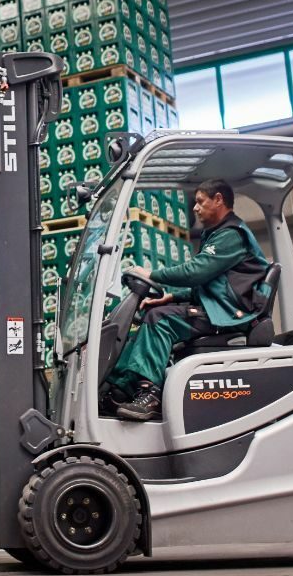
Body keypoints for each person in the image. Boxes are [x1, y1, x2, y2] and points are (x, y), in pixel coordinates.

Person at [108, 178, 270, 422]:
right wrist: (171, 296)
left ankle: (151, 395)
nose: (194, 208)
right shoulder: (216, 234)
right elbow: (211, 286)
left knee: (159, 320)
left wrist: (151, 275)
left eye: (200, 202)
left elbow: (196, 272)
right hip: (220, 307)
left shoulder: (231, 235)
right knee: (147, 319)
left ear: (218, 200)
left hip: (229, 315)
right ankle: (119, 388)